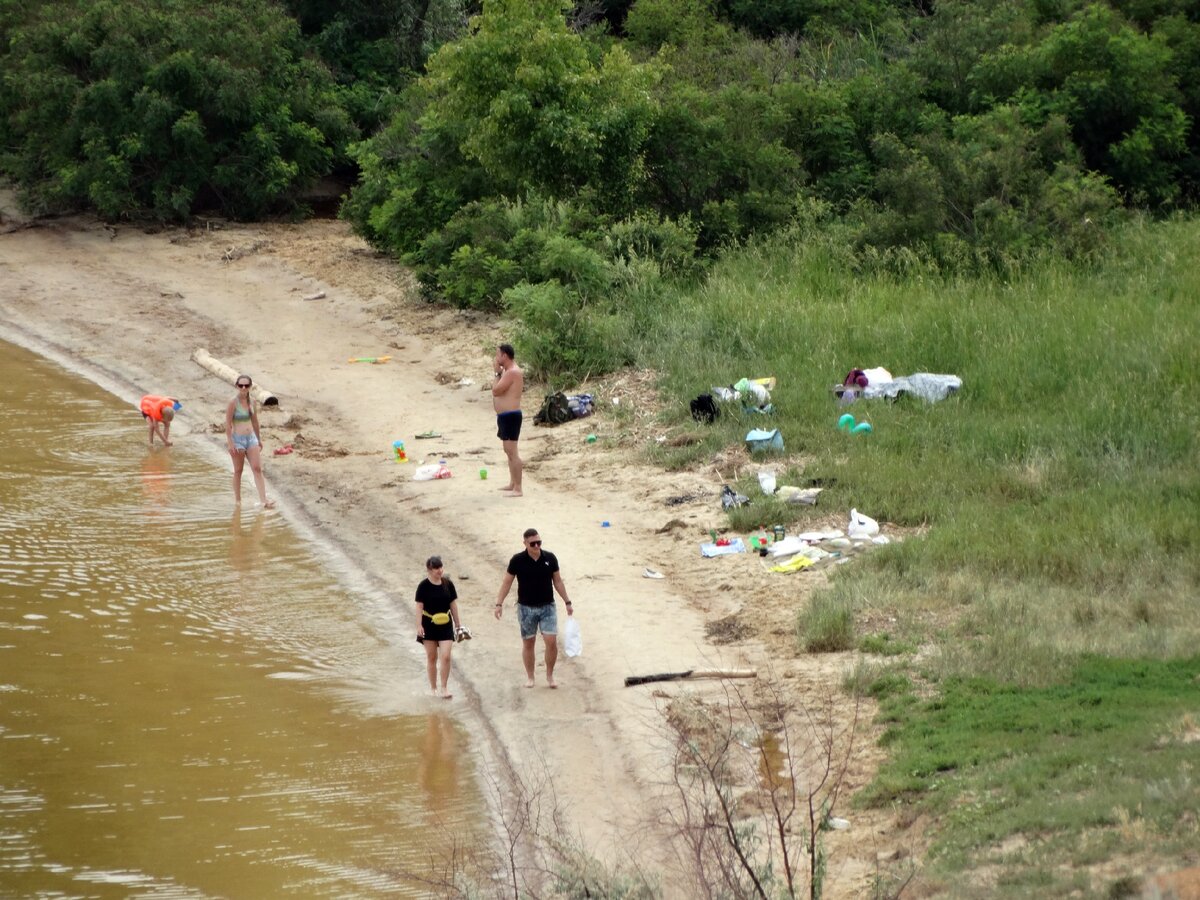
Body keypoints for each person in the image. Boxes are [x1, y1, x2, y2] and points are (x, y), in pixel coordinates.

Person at [494, 528, 574, 688]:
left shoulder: (550, 558)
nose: (537, 546)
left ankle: (550, 675)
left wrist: (567, 601)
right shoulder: (517, 560)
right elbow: (507, 582)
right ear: (525, 543)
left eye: (539, 542)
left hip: (547, 606)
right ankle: (530, 677)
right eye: (533, 543)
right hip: (526, 608)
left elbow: (558, 581)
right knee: (528, 643)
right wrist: (499, 603)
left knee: (551, 641)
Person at [416, 555, 464, 699]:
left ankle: (444, 688)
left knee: (446, 656)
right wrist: (418, 625)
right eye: (436, 568)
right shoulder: (423, 586)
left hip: (445, 624)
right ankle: (433, 688)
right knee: (432, 657)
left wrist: (458, 624)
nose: (439, 570)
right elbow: (419, 606)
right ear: (429, 570)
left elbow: (453, 604)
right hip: (428, 624)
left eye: (441, 567)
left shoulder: (448, 584)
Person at [225, 374, 274, 509]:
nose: (244, 387)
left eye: (246, 385)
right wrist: (230, 442)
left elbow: (255, 422)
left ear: (250, 387)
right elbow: (228, 424)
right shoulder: (232, 403)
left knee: (257, 468)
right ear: (237, 386)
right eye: (241, 385)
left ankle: (264, 500)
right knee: (238, 471)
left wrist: (258, 439)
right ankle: (238, 501)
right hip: (238, 440)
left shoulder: (252, 402)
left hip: (251, 437)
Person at [492, 343, 525, 496]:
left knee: (512, 452)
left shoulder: (512, 372)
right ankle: (513, 483)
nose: (496, 358)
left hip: (511, 416)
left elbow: (496, 391)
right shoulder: (508, 372)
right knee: (508, 451)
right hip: (505, 416)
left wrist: (496, 374)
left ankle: (518, 488)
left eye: (498, 355)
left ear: (504, 356)